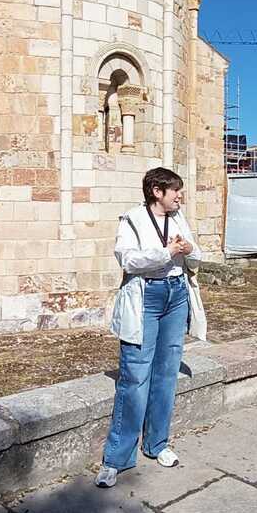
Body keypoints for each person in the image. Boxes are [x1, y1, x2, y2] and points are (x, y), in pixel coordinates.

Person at [95, 167, 206, 488]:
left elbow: (197, 256)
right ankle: (116, 459)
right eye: (175, 191)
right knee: (135, 376)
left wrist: (189, 251)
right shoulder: (131, 220)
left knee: (167, 373)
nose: (180, 196)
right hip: (147, 297)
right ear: (157, 191)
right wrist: (166, 252)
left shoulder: (179, 218)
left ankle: (157, 444)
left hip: (176, 294)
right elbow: (128, 260)